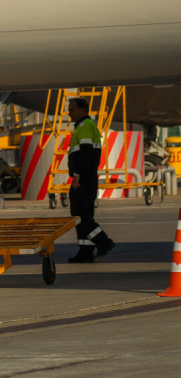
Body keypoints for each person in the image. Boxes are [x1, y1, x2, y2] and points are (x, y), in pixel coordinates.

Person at [66, 97, 115, 263]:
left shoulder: (85, 126)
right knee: (84, 214)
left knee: (79, 215)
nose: (69, 113)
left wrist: (77, 175)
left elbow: (86, 153)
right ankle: (86, 251)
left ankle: (104, 242)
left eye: (72, 110)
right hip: (87, 177)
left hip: (84, 178)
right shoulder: (83, 126)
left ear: (82, 111)